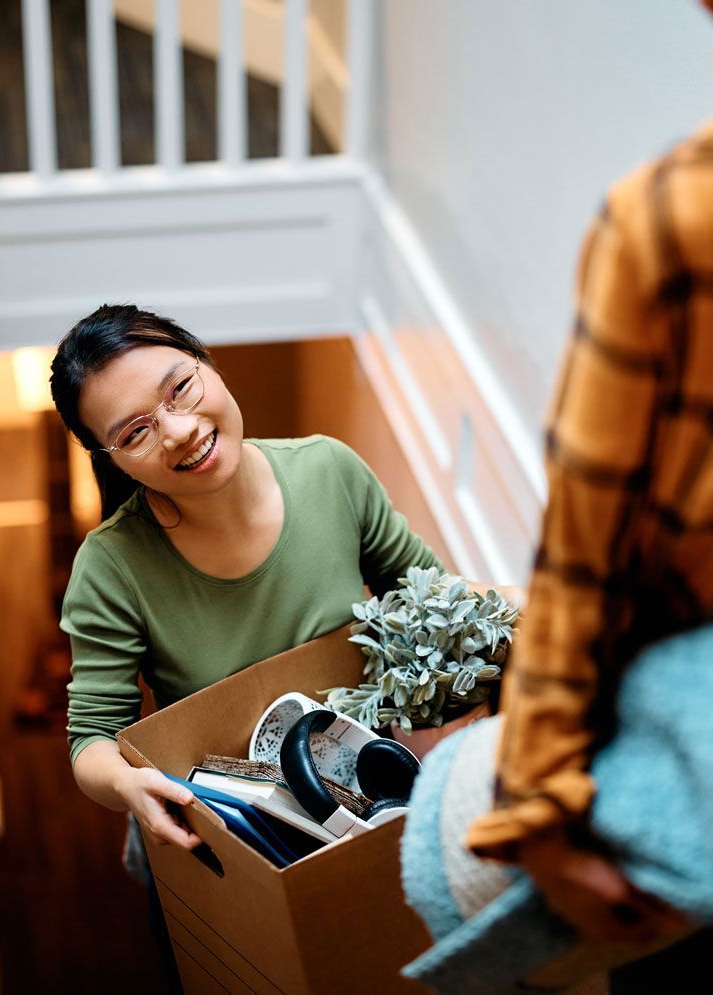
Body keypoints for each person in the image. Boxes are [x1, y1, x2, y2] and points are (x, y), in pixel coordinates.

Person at [466, 10, 713, 988]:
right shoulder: (669, 224)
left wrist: (535, 809)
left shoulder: (669, 218)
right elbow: (579, 559)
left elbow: (581, 557)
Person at [49, 303, 445, 854]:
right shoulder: (111, 567)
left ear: (205, 361)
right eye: (136, 432)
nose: (180, 431)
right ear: (111, 458)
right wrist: (126, 783)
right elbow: (91, 740)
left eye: (180, 388)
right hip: (227, 831)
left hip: (363, 802)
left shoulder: (331, 472)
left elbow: (431, 598)